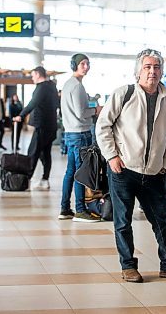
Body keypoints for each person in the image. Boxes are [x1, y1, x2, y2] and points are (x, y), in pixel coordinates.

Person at [96, 49, 166, 283]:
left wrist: (165, 165)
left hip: (155, 172)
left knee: (163, 221)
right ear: (138, 71)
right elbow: (103, 127)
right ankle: (128, 266)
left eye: (156, 67)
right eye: (147, 67)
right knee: (123, 221)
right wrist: (112, 156)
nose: (152, 71)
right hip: (123, 170)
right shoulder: (123, 94)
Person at [59, 53, 102, 222]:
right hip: (79, 134)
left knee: (71, 171)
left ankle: (64, 208)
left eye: (88, 63)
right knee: (80, 173)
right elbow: (81, 112)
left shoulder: (69, 84)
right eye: (82, 63)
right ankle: (80, 210)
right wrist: (96, 111)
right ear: (74, 65)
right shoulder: (76, 86)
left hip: (71, 133)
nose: (86, 67)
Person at [13, 66, 59, 190]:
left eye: (33, 75)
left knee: (33, 152)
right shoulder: (52, 86)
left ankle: (26, 181)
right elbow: (56, 104)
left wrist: (21, 116)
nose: (32, 78)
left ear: (38, 74)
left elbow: (33, 103)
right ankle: (45, 180)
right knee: (45, 153)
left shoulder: (42, 87)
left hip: (42, 126)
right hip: (51, 125)